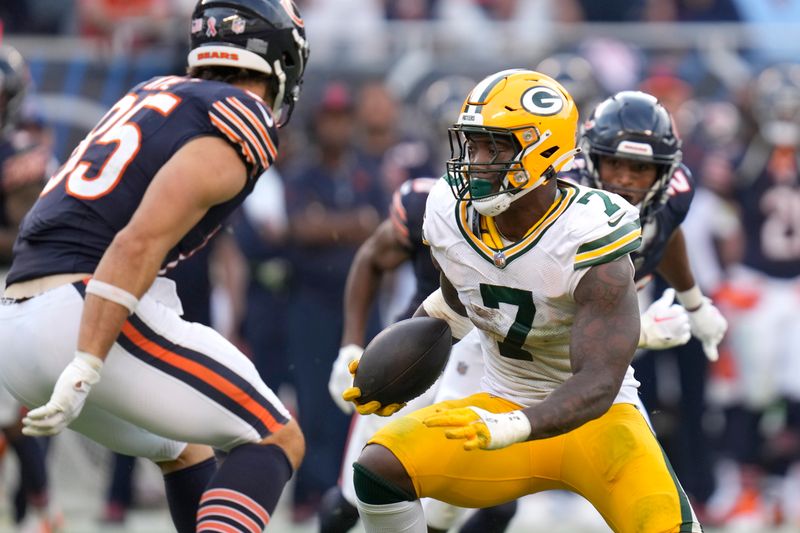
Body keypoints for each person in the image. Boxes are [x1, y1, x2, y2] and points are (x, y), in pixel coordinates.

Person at [342, 69, 705, 533]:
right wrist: (399, 366)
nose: (476, 160)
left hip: (599, 422)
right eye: (472, 145)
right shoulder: (449, 213)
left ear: (544, 150)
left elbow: (597, 382)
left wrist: (516, 425)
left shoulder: (589, 232)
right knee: (377, 470)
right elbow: (454, 306)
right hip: (497, 403)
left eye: (494, 146)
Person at [0, 2, 310, 533]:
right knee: (277, 436)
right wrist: (87, 363)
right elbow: (138, 240)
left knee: (184, 449)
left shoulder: (153, 93)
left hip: (15, 322)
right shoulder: (241, 114)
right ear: (281, 60)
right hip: (79, 311)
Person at [0, 44, 62, 532]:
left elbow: (23, 235)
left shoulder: (23, 156)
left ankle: (42, 511)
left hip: (9, 287)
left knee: (12, 416)